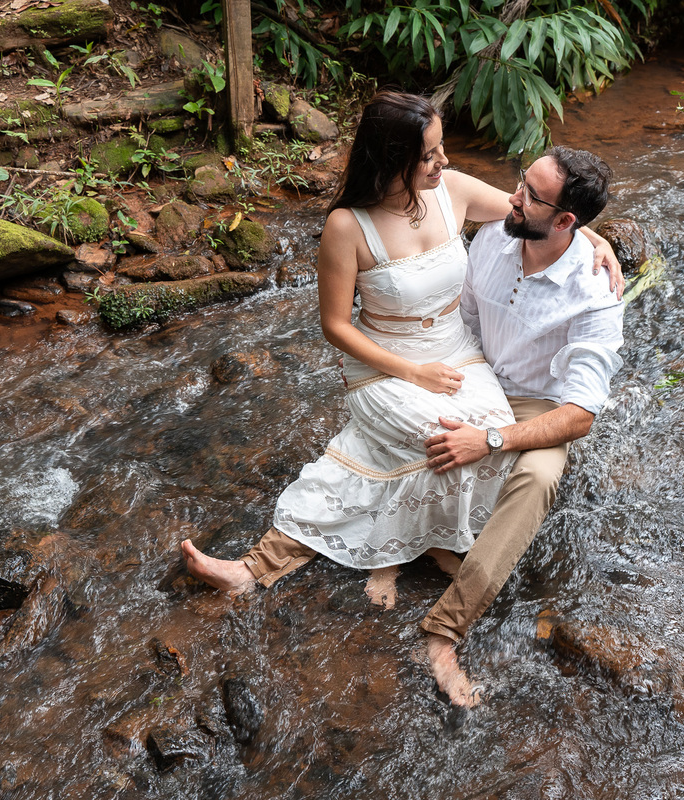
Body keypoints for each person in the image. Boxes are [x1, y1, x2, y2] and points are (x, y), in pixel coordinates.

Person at [181, 91, 623, 705]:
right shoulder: (347, 226)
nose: (445, 163)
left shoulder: (460, 194)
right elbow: (336, 325)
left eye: (442, 150)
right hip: (390, 366)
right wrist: (411, 372)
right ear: (391, 157)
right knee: (440, 437)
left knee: (478, 442)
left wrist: (594, 239)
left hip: (461, 360)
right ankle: (258, 567)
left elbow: (550, 221)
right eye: (431, 155)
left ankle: (397, 562)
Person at [418, 145, 625, 706]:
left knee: (536, 478)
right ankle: (417, 544)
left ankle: (444, 632)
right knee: (406, 412)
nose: (513, 196)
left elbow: (580, 414)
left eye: (531, 194)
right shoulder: (496, 234)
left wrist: (490, 439)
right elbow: (462, 319)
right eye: (520, 182)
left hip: (539, 404)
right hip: (473, 374)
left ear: (565, 221)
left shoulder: (595, 293)